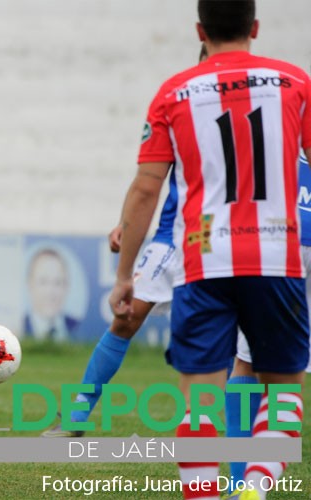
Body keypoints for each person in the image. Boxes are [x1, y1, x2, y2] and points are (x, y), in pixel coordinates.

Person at [109, 1, 310, 499]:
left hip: (204, 261)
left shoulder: (173, 93)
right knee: (283, 390)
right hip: (276, 259)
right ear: (256, 28)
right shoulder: (295, 85)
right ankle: (256, 488)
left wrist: (124, 274)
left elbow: (144, 190)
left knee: (199, 403)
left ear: (200, 29)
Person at [43, 45, 207, 438]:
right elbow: (150, 182)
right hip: (173, 239)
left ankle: (228, 442)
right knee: (126, 317)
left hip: (218, 241)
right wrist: (125, 224)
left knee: (235, 348)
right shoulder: (182, 103)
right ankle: (77, 417)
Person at [225, 151, 311, 492]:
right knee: (280, 375)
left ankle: (242, 485)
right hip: (283, 241)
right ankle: (250, 485)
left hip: (282, 244)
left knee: (248, 364)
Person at [23, 248, 81, 341]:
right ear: (30, 285)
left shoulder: (77, 327)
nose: (50, 292)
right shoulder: (19, 326)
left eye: (58, 282)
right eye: (43, 282)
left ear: (66, 286)